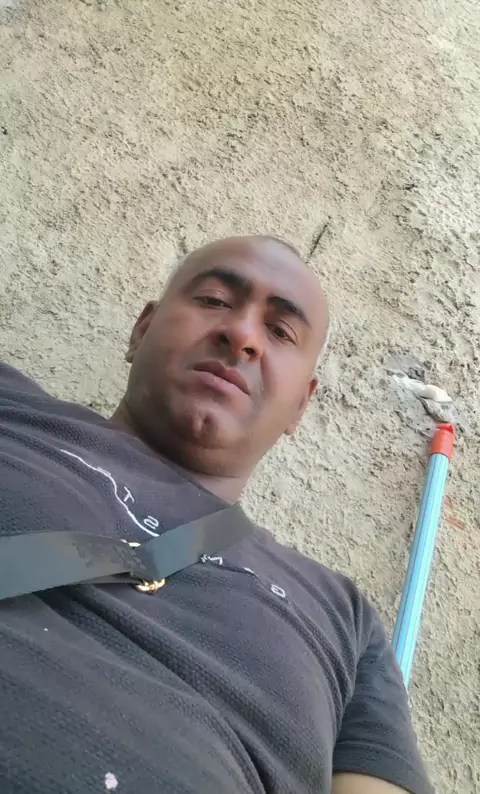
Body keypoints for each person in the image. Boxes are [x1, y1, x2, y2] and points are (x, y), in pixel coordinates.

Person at [0, 235, 433, 794]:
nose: (243, 335)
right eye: (214, 300)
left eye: (280, 332)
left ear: (300, 404)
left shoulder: (344, 618)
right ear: (141, 330)